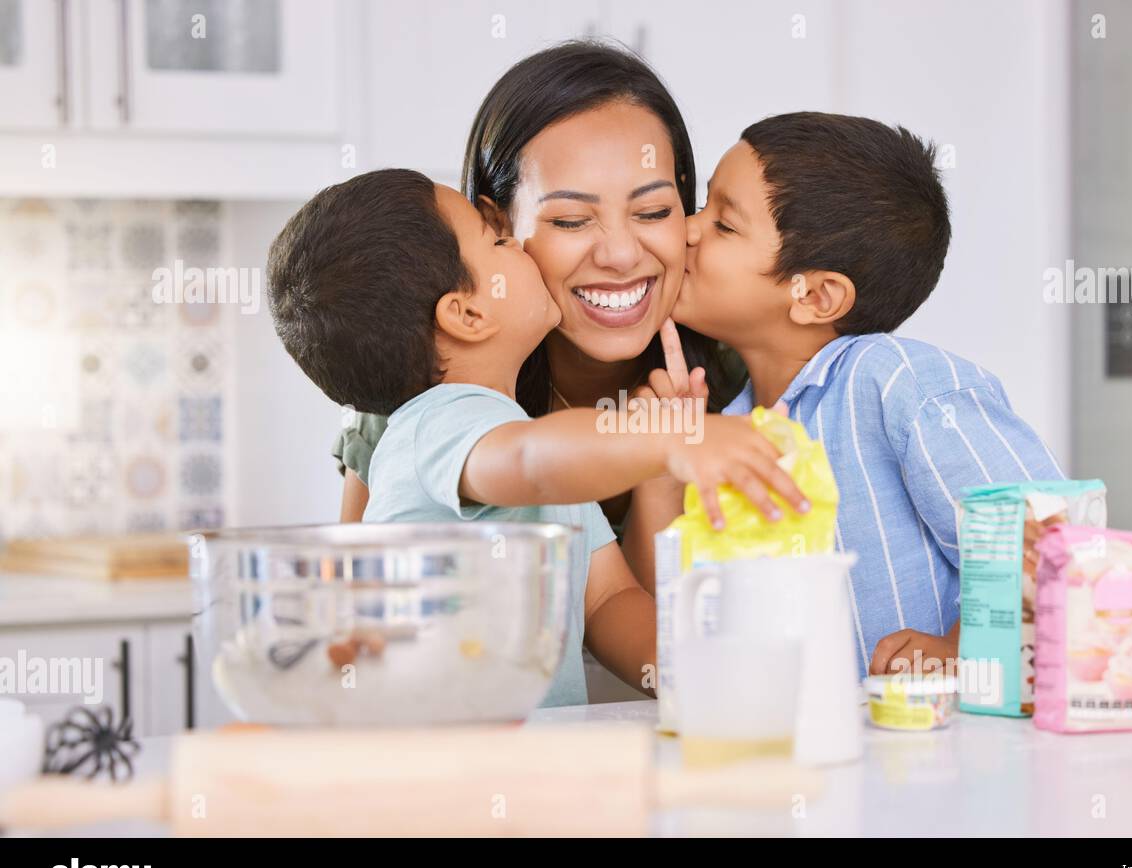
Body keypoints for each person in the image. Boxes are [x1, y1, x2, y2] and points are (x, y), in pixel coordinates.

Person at [267, 169, 808, 706]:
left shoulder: (538, 447)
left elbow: (608, 601)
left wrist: (698, 676)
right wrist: (666, 440)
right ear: (468, 314)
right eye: (499, 241)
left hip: (527, 761)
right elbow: (528, 462)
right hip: (441, 764)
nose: (522, 248)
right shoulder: (437, 423)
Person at [637, 113, 1064, 679]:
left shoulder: (892, 381)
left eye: (723, 224)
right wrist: (657, 466)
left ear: (815, 295)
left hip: (939, 754)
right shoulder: (727, 425)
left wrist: (963, 649)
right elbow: (672, 621)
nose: (687, 229)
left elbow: (1048, 542)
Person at [333, 41, 735, 587]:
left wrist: (661, 470)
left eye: (653, 211)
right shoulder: (421, 386)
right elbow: (354, 620)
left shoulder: (733, 371)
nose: (620, 255)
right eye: (571, 220)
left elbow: (644, 635)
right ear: (496, 226)